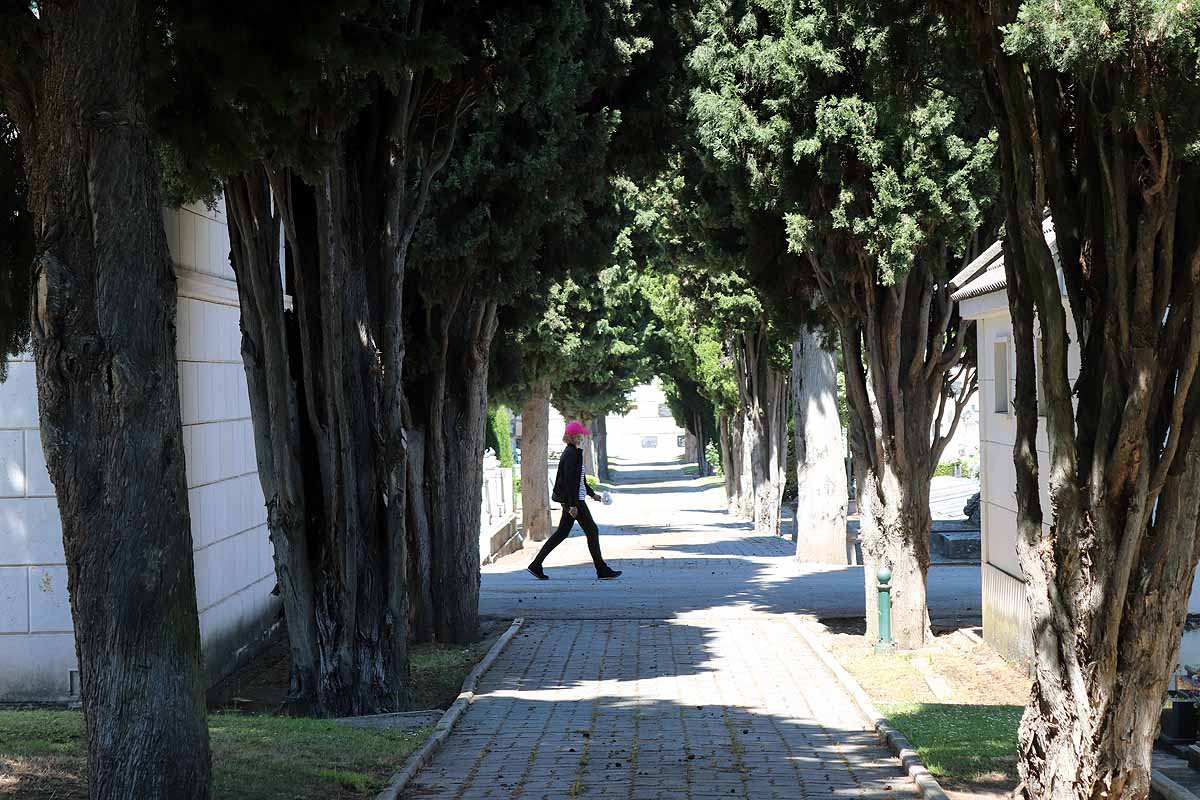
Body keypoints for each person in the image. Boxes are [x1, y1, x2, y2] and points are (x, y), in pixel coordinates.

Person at [527, 421, 622, 580]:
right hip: (575, 502)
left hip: (574, 500)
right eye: (580, 435)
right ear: (573, 436)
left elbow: (580, 479)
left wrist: (593, 495)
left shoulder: (573, 452)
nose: (582, 437)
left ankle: (536, 565)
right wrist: (571, 505)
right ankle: (601, 569)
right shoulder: (571, 454)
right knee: (592, 531)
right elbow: (569, 481)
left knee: (561, 534)